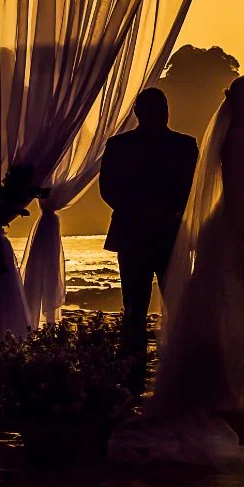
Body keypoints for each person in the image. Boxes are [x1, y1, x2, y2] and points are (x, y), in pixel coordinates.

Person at [108, 75, 244, 466]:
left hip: (181, 234)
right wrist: (149, 213)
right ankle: (136, 382)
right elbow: (111, 189)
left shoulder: (187, 144)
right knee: (136, 310)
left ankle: (190, 377)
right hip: (142, 235)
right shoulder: (121, 145)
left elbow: (202, 187)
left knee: (188, 309)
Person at [99, 88, 198, 391]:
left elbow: (109, 190)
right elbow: (193, 189)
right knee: (174, 303)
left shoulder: (119, 146)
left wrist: (138, 212)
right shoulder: (185, 145)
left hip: (134, 233)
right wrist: (169, 212)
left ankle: (134, 371)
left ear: (137, 113)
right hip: (167, 233)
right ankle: (179, 365)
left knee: (137, 305)